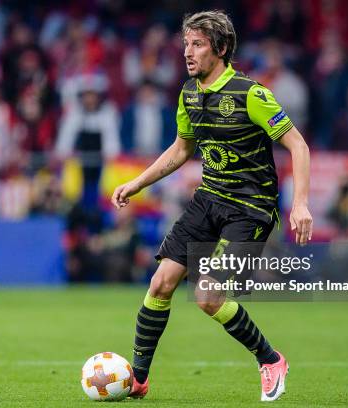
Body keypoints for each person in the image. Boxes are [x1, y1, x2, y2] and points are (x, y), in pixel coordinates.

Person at [111, 11, 312, 402]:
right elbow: (181, 150)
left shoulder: (250, 94)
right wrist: (136, 182)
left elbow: (298, 145)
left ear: (220, 49)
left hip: (250, 209)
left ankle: (271, 360)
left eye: (198, 44)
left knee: (207, 295)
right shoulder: (189, 93)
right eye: (186, 43)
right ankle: (137, 378)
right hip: (209, 199)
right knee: (161, 283)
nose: (188, 52)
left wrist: (300, 204)